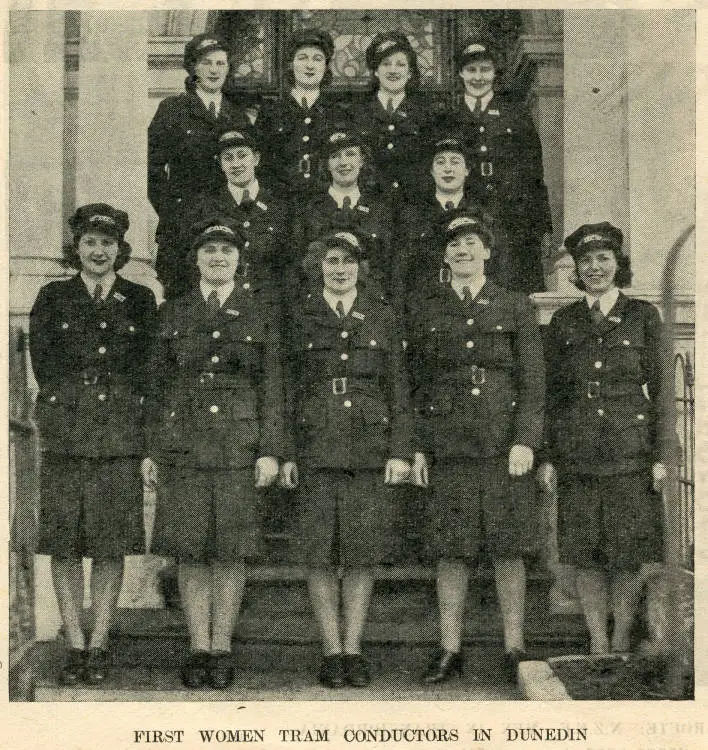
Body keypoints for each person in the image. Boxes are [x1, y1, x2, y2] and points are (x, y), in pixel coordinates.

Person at [142, 218, 285, 689]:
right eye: (209, 252)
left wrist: (271, 450)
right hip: (184, 446)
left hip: (238, 446)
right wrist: (152, 449)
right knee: (190, 552)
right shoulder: (174, 312)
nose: (217, 259)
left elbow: (273, 387)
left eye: (226, 252)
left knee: (230, 552)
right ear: (196, 260)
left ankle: (222, 646)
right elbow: (158, 389)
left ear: (239, 260)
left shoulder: (260, 313)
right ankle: (197, 646)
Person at [407, 212, 545, 684]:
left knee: (509, 548)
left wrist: (526, 439)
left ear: (487, 252)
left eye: (471, 244)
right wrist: (419, 447)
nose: (462, 252)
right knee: (451, 549)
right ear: (445, 256)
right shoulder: (427, 307)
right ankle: (449, 648)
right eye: (454, 246)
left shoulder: (514, 305)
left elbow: (533, 382)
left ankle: (514, 646)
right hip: (448, 444)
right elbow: (416, 384)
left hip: (502, 443)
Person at [29, 204, 158, 686]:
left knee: (109, 544)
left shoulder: (140, 299)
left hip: (120, 434)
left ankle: (100, 642)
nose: (98, 251)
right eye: (89, 243)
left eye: (107, 244)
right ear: (76, 248)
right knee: (64, 543)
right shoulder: (52, 296)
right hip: (65, 433)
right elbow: (44, 364)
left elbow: (150, 368)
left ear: (120, 249)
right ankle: (74, 643)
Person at [280, 231, 412, 688]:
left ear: (361, 267)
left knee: (360, 554)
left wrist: (400, 449)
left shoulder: (381, 316)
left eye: (349, 262)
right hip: (315, 445)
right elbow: (285, 388)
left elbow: (399, 387)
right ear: (319, 266)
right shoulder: (299, 316)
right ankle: (330, 649)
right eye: (332, 261)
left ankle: (353, 648)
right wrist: (286, 452)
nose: (340, 269)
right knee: (318, 554)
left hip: (368, 449)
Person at [539, 222, 668, 655]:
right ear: (576, 268)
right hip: (578, 453)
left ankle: (620, 637)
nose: (595, 268)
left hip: (630, 452)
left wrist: (662, 454)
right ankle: (597, 641)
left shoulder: (644, 316)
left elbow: (664, 391)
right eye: (586, 261)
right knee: (585, 555)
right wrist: (550, 456)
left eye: (603, 259)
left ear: (618, 264)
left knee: (628, 554)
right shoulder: (563, 321)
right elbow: (552, 394)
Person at [444, 38, 552, 294]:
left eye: (485, 70)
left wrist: (543, 225)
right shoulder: (447, 118)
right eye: (471, 70)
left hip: (513, 217)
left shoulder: (516, 116)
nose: (478, 77)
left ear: (494, 72)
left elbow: (534, 174)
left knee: (514, 286)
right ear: (461, 73)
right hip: (467, 213)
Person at [148, 33, 250, 299]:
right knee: (183, 298)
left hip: (229, 220)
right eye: (207, 63)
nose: (214, 70)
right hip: (183, 223)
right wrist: (173, 212)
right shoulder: (173, 110)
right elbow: (152, 169)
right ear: (193, 68)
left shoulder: (236, 114)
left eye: (220, 63)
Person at [183, 128, 288, 292]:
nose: (236, 164)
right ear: (220, 164)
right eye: (228, 158)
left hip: (268, 305)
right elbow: (191, 262)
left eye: (242, 155)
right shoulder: (204, 207)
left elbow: (289, 265)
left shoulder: (280, 206)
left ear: (256, 159)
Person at [395, 135, 496, 306]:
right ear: (432, 171)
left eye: (455, 162)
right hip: (424, 307)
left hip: (472, 303)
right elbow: (400, 271)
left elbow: (495, 265)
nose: (447, 169)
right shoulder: (411, 215)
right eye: (440, 163)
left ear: (467, 170)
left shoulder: (483, 214)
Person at [292, 129, 392, 298]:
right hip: (318, 304)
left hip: (369, 304)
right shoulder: (307, 209)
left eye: (350, 154)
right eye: (335, 156)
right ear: (327, 165)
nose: (343, 162)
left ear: (361, 161)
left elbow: (387, 265)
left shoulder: (380, 210)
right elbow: (297, 266)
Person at [258, 29, 340, 203]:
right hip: (280, 204)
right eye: (302, 58)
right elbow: (260, 166)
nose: (310, 66)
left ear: (326, 67)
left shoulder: (338, 113)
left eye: (317, 59)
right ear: (291, 64)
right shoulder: (271, 112)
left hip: (325, 207)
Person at [354, 32, 433, 207]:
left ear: (410, 72)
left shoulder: (426, 112)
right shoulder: (358, 111)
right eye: (386, 64)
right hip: (370, 204)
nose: (393, 70)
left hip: (414, 204)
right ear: (375, 71)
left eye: (400, 64)